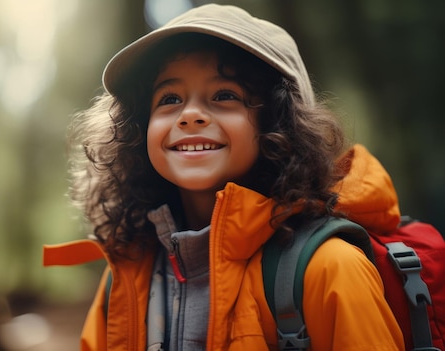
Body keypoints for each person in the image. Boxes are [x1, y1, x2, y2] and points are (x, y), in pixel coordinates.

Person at [43, 3, 405, 350]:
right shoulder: (125, 278)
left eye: (225, 94)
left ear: (278, 123)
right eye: (169, 99)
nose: (190, 115)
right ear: (139, 128)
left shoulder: (328, 268)